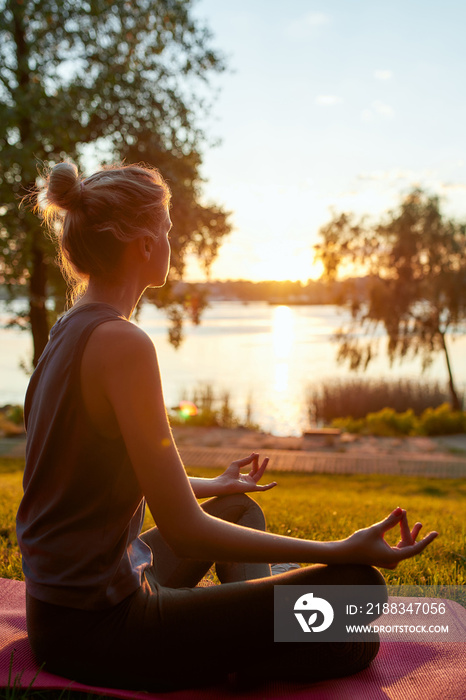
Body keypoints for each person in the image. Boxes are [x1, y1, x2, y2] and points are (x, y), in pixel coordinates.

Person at [16, 162, 438, 692]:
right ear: (142, 244)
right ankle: (242, 656)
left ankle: (255, 631)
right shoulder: (123, 344)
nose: (174, 242)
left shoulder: (68, 329)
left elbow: (85, 473)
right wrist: (339, 549)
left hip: (61, 613)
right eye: (168, 230)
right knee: (357, 593)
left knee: (239, 506)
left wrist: (212, 486)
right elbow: (184, 530)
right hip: (102, 628)